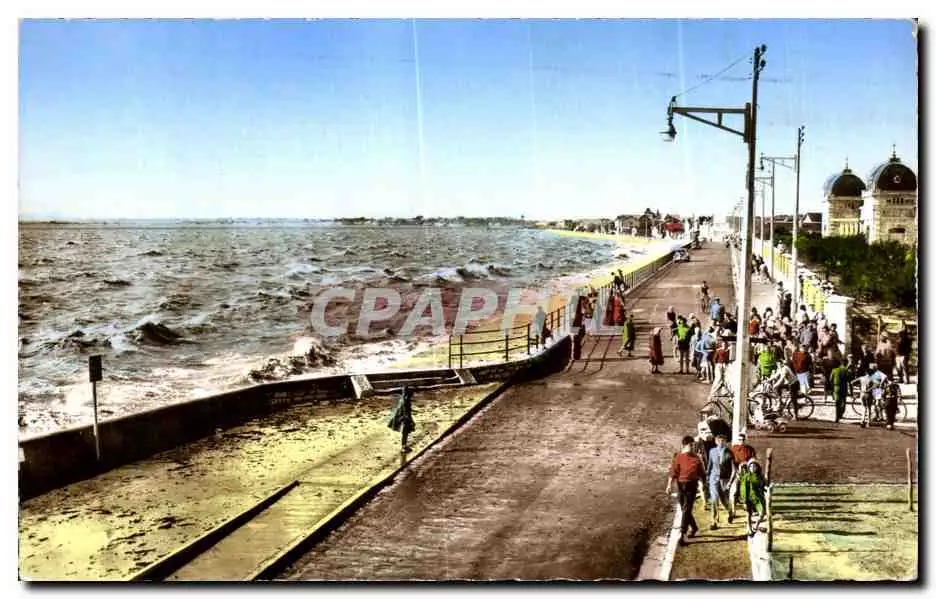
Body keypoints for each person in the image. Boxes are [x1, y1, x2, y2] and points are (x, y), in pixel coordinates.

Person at [666, 435, 706, 546]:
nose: (692, 447)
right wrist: (669, 485)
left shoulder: (697, 458)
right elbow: (673, 472)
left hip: (692, 486)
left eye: (693, 445)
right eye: (690, 445)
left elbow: (702, 473)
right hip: (681, 486)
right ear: (684, 445)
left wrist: (703, 484)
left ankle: (682, 534)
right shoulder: (678, 457)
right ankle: (694, 528)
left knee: (686, 509)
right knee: (685, 509)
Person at [707, 433, 736, 529]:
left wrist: (730, 482)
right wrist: (707, 477)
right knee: (714, 499)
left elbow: (734, 470)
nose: (721, 443)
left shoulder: (730, 453)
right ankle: (713, 522)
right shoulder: (712, 451)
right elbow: (709, 466)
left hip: (724, 479)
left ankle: (730, 512)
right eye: (719, 441)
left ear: (726, 442)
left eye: (723, 441)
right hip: (714, 478)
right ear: (715, 442)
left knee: (724, 500)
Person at [739, 458, 767, 537]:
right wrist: (744, 500)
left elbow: (764, 485)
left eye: (754, 466)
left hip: (758, 498)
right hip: (748, 498)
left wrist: (765, 488)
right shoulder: (746, 477)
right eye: (751, 466)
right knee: (749, 514)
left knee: (762, 513)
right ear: (749, 467)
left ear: (757, 467)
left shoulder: (760, 476)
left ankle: (756, 525)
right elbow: (743, 489)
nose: (752, 468)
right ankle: (749, 528)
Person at [729, 431, 756, 507]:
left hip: (747, 471)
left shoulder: (750, 449)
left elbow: (753, 459)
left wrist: (747, 463)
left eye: (743, 440)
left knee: (749, 487)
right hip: (736, 471)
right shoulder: (734, 448)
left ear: (745, 440)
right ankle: (733, 503)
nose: (741, 441)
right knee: (735, 487)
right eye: (739, 440)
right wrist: (736, 468)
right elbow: (730, 459)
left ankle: (748, 502)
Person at [387, 385, 416, 452]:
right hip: (405, 418)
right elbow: (405, 411)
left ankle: (404, 445)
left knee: (406, 432)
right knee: (405, 432)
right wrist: (408, 418)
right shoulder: (406, 400)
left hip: (404, 417)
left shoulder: (404, 399)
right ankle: (403, 446)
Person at [829, 357, 851, 423]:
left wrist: (832, 388)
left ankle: (837, 417)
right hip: (844, 387)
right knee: (843, 401)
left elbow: (830, 379)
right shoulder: (845, 370)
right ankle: (841, 414)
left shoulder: (834, 370)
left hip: (836, 388)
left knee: (837, 403)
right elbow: (849, 380)